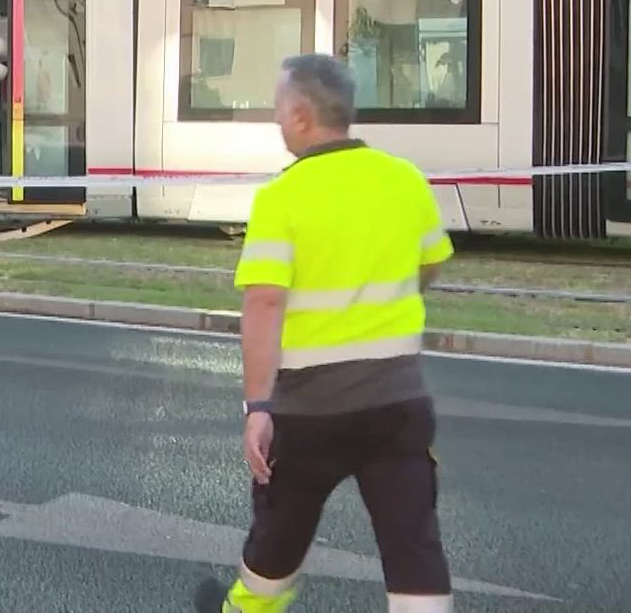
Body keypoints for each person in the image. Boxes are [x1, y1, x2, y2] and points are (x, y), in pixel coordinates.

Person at [194, 53, 453, 613]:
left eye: (279, 111)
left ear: (303, 116)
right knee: (413, 544)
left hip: (308, 409)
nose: (277, 122)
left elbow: (264, 302)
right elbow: (430, 264)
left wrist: (257, 406)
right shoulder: (403, 180)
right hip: (397, 401)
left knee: (279, 534)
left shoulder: (282, 198)